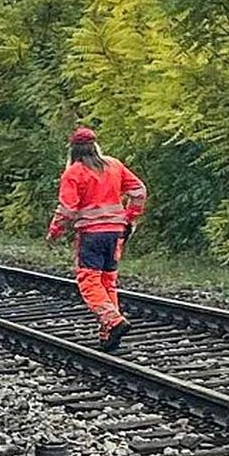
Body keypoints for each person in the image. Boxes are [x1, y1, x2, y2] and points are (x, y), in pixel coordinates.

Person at [46, 126, 147, 351]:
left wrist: (54, 232)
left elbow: (67, 210)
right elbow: (139, 191)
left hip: (91, 235)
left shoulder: (74, 173)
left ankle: (114, 321)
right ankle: (108, 333)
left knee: (89, 281)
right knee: (107, 280)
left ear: (73, 150)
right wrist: (130, 218)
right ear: (95, 146)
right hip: (115, 233)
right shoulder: (114, 165)